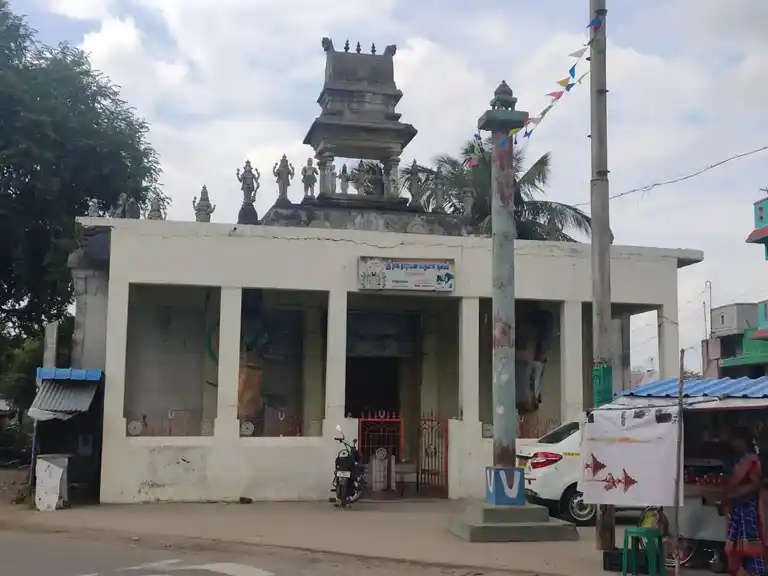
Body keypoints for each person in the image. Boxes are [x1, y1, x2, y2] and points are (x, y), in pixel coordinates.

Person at [723, 426, 766, 576]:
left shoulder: (751, 460)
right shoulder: (735, 459)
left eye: (736, 440)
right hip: (737, 508)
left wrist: (737, 492)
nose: (734, 444)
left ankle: (754, 571)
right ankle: (740, 570)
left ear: (743, 441)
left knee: (750, 541)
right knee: (736, 543)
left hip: (748, 508)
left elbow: (756, 484)